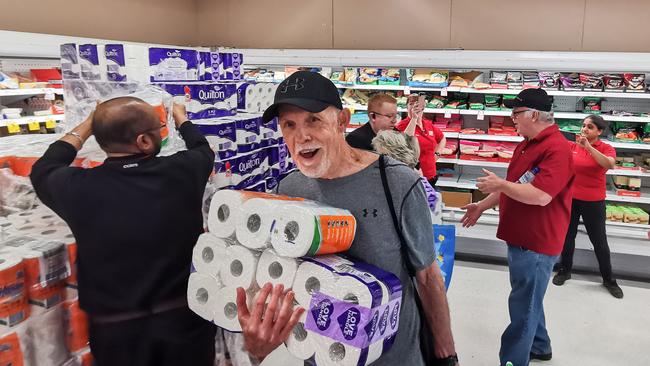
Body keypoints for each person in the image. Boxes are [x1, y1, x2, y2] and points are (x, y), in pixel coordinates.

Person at [237, 71, 459, 365]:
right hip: (323, 356)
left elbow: (428, 276)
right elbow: (282, 278)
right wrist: (256, 345)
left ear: (342, 121)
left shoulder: (397, 184)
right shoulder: (287, 191)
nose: (301, 136)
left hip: (395, 357)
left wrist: (446, 354)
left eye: (313, 121)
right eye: (289, 125)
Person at [30, 97, 217, 366]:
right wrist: (181, 118)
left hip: (116, 334)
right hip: (184, 322)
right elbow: (202, 148)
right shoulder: (182, 171)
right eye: (158, 128)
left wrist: (88, 125)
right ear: (143, 141)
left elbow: (44, 167)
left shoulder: (76, 188)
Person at [460, 88, 574, 366]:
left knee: (523, 307)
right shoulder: (528, 143)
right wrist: (481, 205)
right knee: (531, 297)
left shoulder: (556, 149)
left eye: (516, 113)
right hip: (521, 238)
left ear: (534, 114)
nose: (512, 119)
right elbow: (515, 185)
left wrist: (500, 184)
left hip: (536, 242)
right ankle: (540, 345)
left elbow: (540, 195)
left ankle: (513, 361)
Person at [553, 115, 623, 298]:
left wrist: (588, 147)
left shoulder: (606, 148)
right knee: (567, 237)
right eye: (583, 126)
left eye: (590, 127)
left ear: (599, 131)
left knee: (599, 241)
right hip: (571, 198)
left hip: (594, 201)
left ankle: (608, 279)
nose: (584, 129)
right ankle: (564, 270)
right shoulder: (572, 145)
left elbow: (609, 164)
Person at [372, 129, 438, 215]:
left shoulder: (401, 180)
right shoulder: (413, 176)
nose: (376, 157)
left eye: (380, 154)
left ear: (391, 155)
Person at [395, 94, 446, 186]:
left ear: (423, 107)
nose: (415, 107)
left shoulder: (427, 124)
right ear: (406, 107)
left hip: (431, 174)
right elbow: (405, 141)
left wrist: (437, 154)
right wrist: (414, 118)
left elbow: (442, 138)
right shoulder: (401, 126)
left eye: (418, 104)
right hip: (412, 177)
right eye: (411, 104)